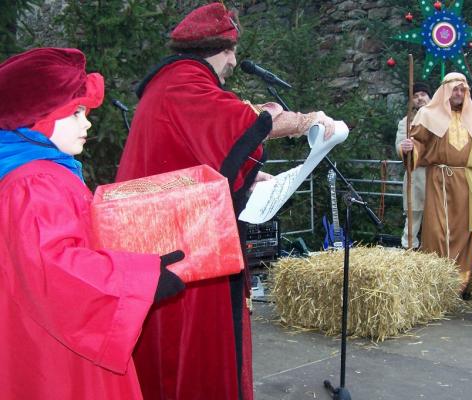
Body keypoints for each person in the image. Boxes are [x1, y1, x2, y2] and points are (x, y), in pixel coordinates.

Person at [116, 3, 336, 400]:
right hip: (186, 244)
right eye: (231, 50)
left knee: (174, 344)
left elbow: (197, 158)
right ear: (215, 48)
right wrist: (307, 121)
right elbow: (240, 123)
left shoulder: (172, 85)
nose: (234, 60)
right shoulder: (184, 82)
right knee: (197, 340)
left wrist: (250, 179)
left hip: (173, 233)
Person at [0, 48, 185, 399]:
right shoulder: (34, 182)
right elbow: (53, 270)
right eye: (76, 112)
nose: (87, 123)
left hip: (51, 338)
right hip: (60, 352)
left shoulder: (42, 171)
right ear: (39, 119)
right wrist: (140, 281)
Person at [399, 72, 472, 290]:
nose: (459, 93)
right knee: (436, 230)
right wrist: (408, 149)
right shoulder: (428, 114)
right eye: (455, 89)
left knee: (464, 230)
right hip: (439, 180)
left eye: (463, 90)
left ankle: (461, 282)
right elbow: (418, 143)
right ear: (445, 91)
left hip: (467, 181)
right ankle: (436, 282)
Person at [395, 82, 431, 249]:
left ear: (429, 97)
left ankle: (432, 250)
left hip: (435, 175)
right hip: (415, 175)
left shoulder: (441, 117)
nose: (419, 98)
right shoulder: (406, 121)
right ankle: (409, 249)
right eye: (415, 96)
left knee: (435, 218)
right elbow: (400, 142)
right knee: (413, 215)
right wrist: (404, 147)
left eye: (423, 94)